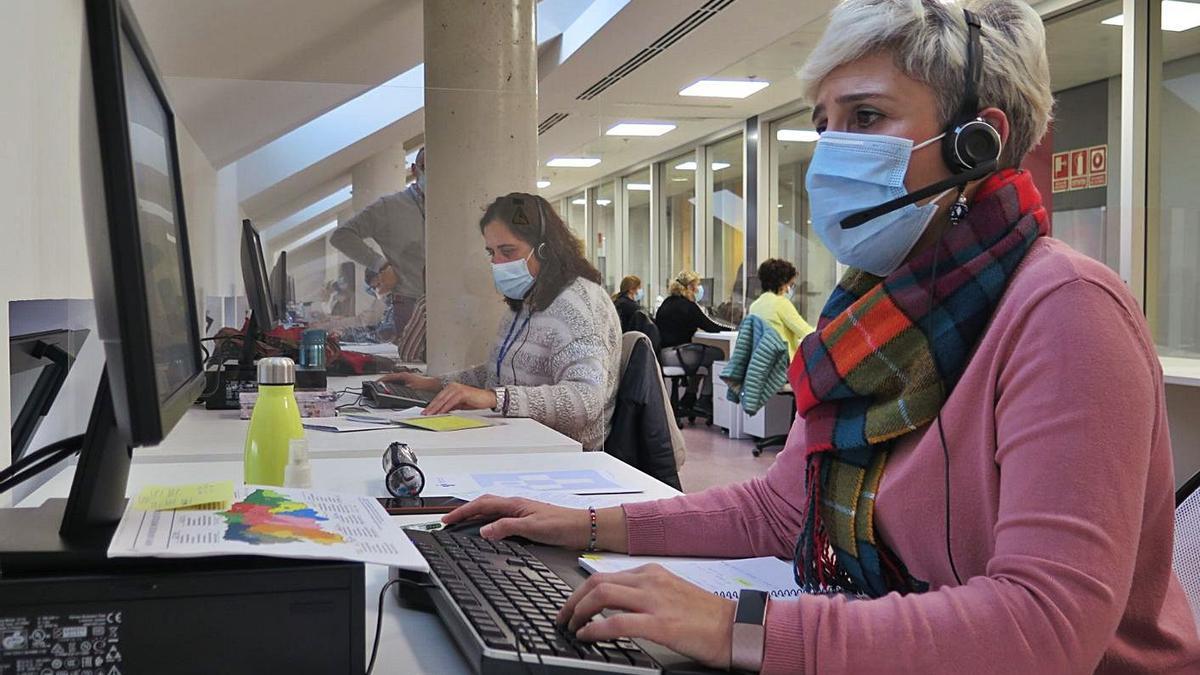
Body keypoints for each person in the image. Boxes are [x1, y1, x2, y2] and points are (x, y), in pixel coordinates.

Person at [439, 1, 1200, 672]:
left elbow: (1044, 629)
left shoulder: (1067, 309)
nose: (833, 150)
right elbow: (780, 510)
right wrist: (583, 525)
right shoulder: (875, 312)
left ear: (981, 142)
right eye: (824, 124)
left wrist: (741, 626)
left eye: (866, 118)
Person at [379, 193, 621, 451]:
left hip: (563, 457)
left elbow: (585, 399)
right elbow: (500, 372)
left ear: (545, 249)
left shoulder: (579, 304)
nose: (497, 263)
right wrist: (436, 384)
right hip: (519, 442)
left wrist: (494, 398)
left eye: (507, 251)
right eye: (491, 252)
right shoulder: (527, 301)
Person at [329, 147, 426, 343]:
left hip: (453, 303)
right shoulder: (389, 207)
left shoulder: (458, 206)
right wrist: (381, 265)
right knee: (414, 363)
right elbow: (341, 236)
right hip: (409, 304)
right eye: (427, 167)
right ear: (415, 170)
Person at [747, 258, 814, 359]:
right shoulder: (780, 303)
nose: (788, 290)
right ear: (781, 283)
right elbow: (806, 332)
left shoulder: (754, 306)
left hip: (763, 365)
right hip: (782, 366)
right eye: (789, 284)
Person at [654, 271, 727, 349]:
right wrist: (731, 330)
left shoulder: (666, 302)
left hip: (663, 353)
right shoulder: (688, 306)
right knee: (719, 353)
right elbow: (710, 327)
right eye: (697, 285)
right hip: (679, 352)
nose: (698, 289)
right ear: (689, 287)